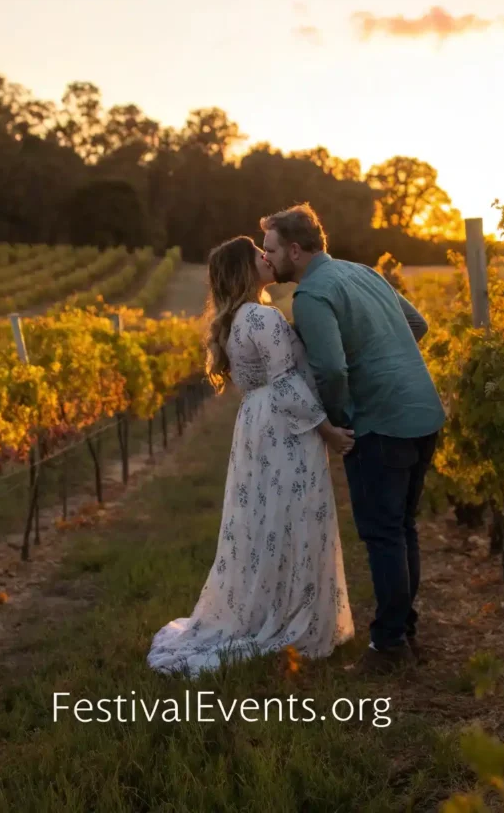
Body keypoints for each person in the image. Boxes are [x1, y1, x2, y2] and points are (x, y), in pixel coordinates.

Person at [146, 235, 355, 677]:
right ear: (245, 269)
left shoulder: (238, 318)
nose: (267, 257)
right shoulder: (261, 316)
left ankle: (269, 606)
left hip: (257, 424)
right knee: (294, 516)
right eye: (258, 255)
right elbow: (286, 383)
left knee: (268, 521)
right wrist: (329, 431)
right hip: (283, 426)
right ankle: (290, 616)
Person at [261, 204, 445, 673]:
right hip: (423, 410)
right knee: (401, 529)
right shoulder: (362, 272)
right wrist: (389, 362)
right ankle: (404, 633)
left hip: (381, 423)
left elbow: (332, 369)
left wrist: (339, 423)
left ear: (295, 250)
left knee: (384, 534)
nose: (267, 258)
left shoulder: (312, 294)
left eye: (272, 249)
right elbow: (418, 325)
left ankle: (389, 647)